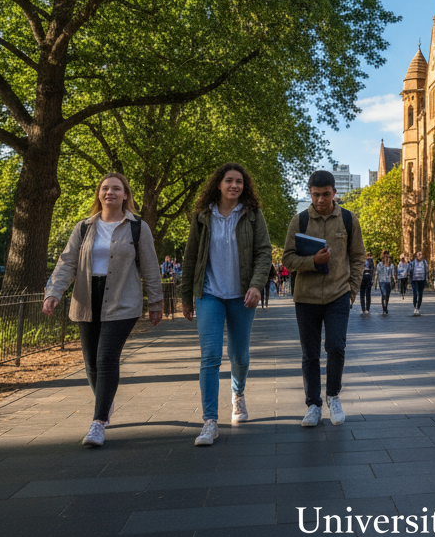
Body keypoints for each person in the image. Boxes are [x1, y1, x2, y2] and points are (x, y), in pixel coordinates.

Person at [43, 172, 163, 448]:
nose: (110, 192)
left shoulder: (138, 227)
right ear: (99, 194)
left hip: (122, 299)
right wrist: (53, 293)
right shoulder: (84, 227)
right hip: (87, 298)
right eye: (105, 188)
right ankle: (105, 403)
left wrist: (156, 303)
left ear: (125, 195)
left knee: (106, 357)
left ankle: (98, 422)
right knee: (91, 363)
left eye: (116, 189)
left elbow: (150, 266)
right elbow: (67, 263)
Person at [181, 163, 271, 446]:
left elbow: (263, 253)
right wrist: (186, 296)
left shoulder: (252, 214)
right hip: (209, 294)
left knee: (239, 356)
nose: (234, 185)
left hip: (242, 295)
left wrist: (256, 285)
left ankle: (238, 393)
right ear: (218, 184)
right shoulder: (202, 216)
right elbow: (190, 257)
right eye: (229, 181)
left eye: (239, 182)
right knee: (210, 356)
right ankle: (210, 421)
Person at [282, 170, 365, 428]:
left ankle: (333, 396)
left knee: (336, 346)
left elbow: (358, 257)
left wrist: (351, 292)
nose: (320, 200)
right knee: (310, 354)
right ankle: (313, 405)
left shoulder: (348, 219)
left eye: (326, 194)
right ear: (310, 193)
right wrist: (313, 261)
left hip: (338, 295)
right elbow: (287, 259)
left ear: (334, 193)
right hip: (306, 297)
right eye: (316, 195)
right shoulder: (300, 221)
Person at [408, 250, 428, 315]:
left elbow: (427, 270)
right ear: (416, 255)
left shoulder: (424, 262)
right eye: (418, 254)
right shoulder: (413, 262)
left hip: (422, 280)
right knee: (415, 293)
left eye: (421, 254)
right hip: (414, 280)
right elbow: (409, 269)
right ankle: (415, 307)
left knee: (420, 294)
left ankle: (418, 308)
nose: (420, 255)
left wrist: (426, 278)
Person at [376, 250, 396, 314]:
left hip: (388, 281)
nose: (387, 259)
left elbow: (392, 274)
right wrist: (376, 282)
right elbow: (377, 273)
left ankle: (386, 306)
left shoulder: (391, 265)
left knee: (387, 295)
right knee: (384, 294)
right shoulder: (380, 265)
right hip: (382, 281)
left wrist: (395, 281)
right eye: (386, 257)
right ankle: (384, 309)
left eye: (388, 257)